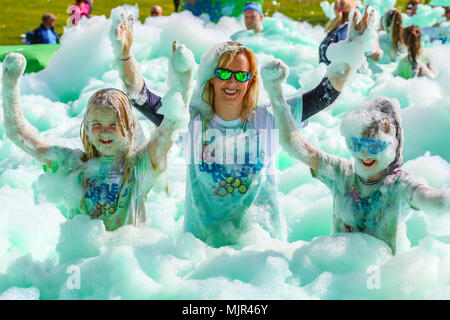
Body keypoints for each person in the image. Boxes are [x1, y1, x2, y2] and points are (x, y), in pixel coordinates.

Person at [111, 7, 377, 247]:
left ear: (251, 81)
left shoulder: (268, 118)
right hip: (202, 248)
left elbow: (323, 95)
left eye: (241, 75)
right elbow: (140, 96)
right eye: (224, 73)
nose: (232, 82)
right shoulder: (190, 120)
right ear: (212, 79)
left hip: (260, 246)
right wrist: (125, 56)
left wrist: (352, 50)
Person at [1, 39, 194, 231]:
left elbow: (171, 124)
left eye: (113, 124)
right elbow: (19, 134)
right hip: (83, 257)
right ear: (86, 127)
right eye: (96, 124)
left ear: (128, 128)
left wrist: (182, 81)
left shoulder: (138, 167)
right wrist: (10, 85)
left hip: (125, 253)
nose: (104, 131)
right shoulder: (73, 165)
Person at [262, 60, 450, 254]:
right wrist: (275, 91)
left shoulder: (399, 186)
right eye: (356, 144)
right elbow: (294, 145)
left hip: (379, 276)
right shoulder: (342, 173)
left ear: (394, 146)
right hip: (338, 273)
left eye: (375, 146)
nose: (364, 154)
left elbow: (433, 200)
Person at [319, 0, 381, 65]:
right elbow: (376, 57)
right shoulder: (354, 31)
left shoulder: (333, 30)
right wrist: (374, 36)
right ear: (355, 10)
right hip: (351, 73)